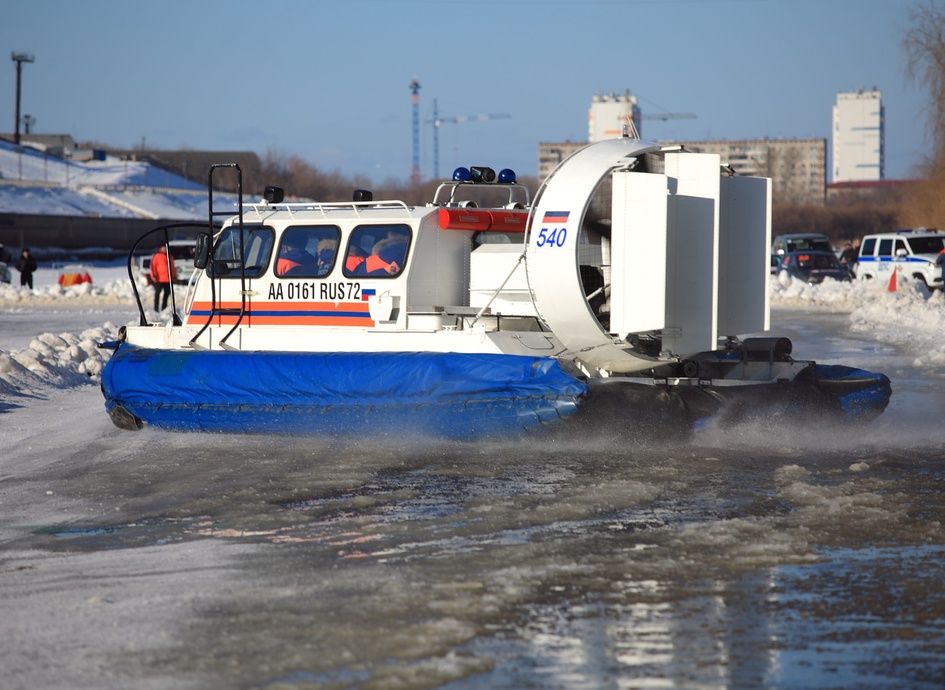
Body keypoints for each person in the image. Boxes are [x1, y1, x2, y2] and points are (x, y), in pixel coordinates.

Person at [149, 245, 177, 312]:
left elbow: (172, 267)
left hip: (168, 279)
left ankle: (164, 308)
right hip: (159, 279)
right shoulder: (156, 256)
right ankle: (156, 308)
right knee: (157, 293)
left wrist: (174, 276)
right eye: (163, 248)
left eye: (165, 248)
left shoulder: (170, 256)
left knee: (167, 294)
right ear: (160, 248)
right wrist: (153, 276)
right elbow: (152, 266)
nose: (165, 249)